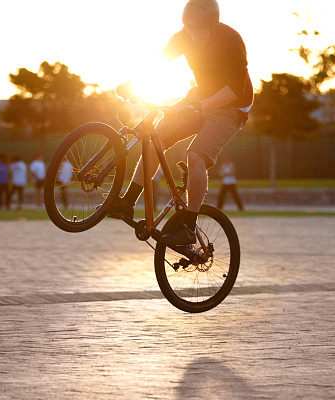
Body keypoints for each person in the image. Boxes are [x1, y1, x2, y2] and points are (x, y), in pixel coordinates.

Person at [107, 0, 252, 245]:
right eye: (190, 29)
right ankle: (127, 202)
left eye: (201, 31)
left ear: (214, 26)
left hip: (231, 106)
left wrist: (202, 106)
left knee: (195, 155)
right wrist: (131, 83)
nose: (194, 36)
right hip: (200, 96)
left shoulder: (231, 40)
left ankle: (188, 223)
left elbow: (235, 90)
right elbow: (157, 62)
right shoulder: (183, 36)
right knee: (155, 139)